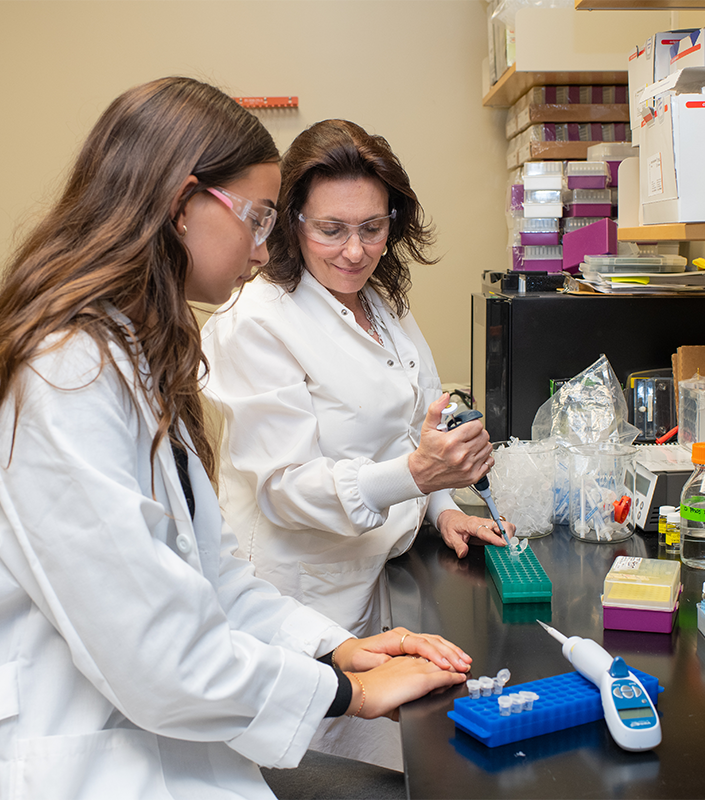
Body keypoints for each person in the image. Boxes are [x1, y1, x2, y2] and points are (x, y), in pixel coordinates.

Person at [0, 78, 472, 800]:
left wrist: (340, 649)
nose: (265, 251)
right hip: (50, 760)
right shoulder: (58, 375)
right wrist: (348, 692)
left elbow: (211, 576)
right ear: (181, 206)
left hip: (141, 730)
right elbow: (157, 656)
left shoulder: (127, 355)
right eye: (259, 219)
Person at [200, 119, 511, 770]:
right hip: (293, 602)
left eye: (373, 227)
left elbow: (412, 419)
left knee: (408, 769)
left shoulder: (379, 301)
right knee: (332, 776)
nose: (354, 251)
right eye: (331, 229)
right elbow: (288, 491)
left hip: (371, 585)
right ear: (291, 221)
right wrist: (420, 476)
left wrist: (444, 505)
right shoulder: (256, 320)